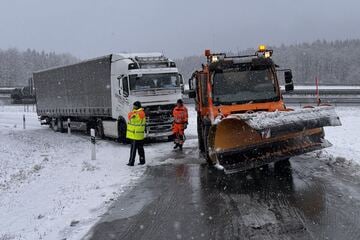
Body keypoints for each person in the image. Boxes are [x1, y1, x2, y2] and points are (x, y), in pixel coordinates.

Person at [126, 101, 146, 166]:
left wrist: (133, 112)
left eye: (134, 106)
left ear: (137, 106)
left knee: (133, 149)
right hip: (139, 134)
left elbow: (130, 117)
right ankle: (142, 161)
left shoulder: (137, 113)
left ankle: (131, 162)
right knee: (140, 148)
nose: (133, 107)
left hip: (135, 134)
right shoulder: (142, 112)